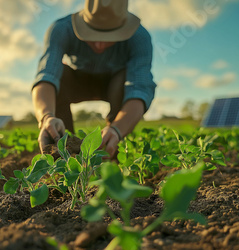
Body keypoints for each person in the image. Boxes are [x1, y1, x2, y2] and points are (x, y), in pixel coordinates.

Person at [32, 0, 156, 158]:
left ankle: (111, 143)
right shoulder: (62, 29)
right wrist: (46, 117)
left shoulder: (139, 38)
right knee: (60, 73)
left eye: (109, 37)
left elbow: (140, 89)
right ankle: (63, 148)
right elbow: (46, 75)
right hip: (78, 81)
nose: (99, 44)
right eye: (92, 34)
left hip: (115, 84)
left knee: (124, 80)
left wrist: (117, 129)